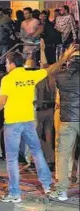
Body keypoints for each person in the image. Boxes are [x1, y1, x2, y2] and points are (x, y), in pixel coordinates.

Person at [0, 44, 77, 203]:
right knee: (37, 153)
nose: (6, 66)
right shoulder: (29, 76)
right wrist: (64, 57)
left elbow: (2, 101)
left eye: (6, 63)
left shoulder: (7, 79)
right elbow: (50, 69)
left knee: (12, 159)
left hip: (12, 123)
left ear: (12, 63)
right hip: (28, 121)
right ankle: (47, 186)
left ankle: (15, 193)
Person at [49, 51, 80, 201]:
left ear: (69, 62)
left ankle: (61, 190)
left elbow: (49, 71)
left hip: (68, 120)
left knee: (63, 155)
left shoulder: (61, 76)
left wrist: (63, 58)